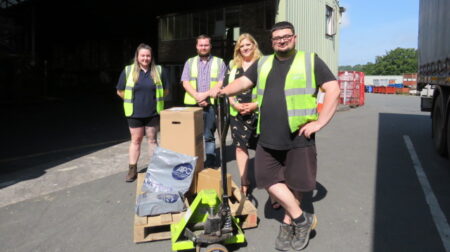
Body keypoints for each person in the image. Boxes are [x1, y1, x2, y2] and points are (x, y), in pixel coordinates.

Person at [212, 21, 340, 251]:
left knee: (297, 182)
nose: (281, 40)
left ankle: (289, 222)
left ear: (294, 37)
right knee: (265, 179)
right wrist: (222, 90)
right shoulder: (264, 62)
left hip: (298, 136)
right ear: (272, 42)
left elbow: (333, 88)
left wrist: (321, 122)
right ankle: (303, 219)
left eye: (286, 36)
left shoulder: (309, 60)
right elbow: (243, 82)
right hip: (268, 135)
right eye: (277, 37)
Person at [116, 43, 168, 182]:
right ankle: (132, 170)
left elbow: (166, 90)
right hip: (134, 114)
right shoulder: (128, 71)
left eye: (148, 55)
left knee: (152, 140)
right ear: (137, 57)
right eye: (142, 55)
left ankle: (155, 169)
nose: (145, 58)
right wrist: (133, 101)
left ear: (151, 57)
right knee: (136, 141)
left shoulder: (159, 71)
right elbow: (120, 91)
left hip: (153, 113)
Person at [181, 34, 227, 168]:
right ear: (196, 46)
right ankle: (193, 160)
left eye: (206, 45)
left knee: (209, 135)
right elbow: (185, 82)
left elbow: (221, 83)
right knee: (191, 135)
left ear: (210, 46)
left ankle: (211, 161)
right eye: (201, 45)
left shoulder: (219, 62)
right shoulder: (189, 62)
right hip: (192, 105)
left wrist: (205, 96)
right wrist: (197, 96)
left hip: (211, 104)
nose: (203, 47)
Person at [224, 33, 260, 198]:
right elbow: (228, 86)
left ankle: (272, 188)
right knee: (240, 148)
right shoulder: (233, 65)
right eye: (242, 46)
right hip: (237, 113)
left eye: (248, 45)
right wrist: (233, 103)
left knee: (263, 150)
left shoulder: (263, 64)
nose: (245, 48)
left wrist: (255, 105)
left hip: (258, 113)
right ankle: (245, 182)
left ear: (254, 45)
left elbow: (270, 89)